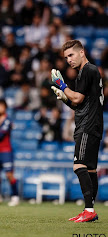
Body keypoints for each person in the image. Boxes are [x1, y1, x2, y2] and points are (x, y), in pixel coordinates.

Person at [51, 40, 103, 222]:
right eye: (66, 57)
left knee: (79, 165)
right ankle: (90, 210)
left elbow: (78, 99)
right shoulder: (87, 72)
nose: (68, 60)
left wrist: (62, 85)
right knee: (90, 170)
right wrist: (64, 98)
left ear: (82, 52)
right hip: (93, 122)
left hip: (87, 125)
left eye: (71, 55)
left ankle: (89, 210)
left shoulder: (88, 70)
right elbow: (78, 105)